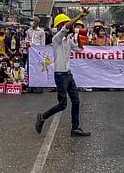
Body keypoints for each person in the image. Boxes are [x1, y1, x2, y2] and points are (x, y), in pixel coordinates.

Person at [36, 8, 91, 137]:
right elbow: (66, 27)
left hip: (68, 74)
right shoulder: (57, 38)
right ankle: (43, 117)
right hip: (60, 75)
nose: (73, 27)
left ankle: (75, 128)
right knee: (62, 105)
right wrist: (79, 15)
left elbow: (80, 50)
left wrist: (82, 40)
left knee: (76, 101)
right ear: (61, 26)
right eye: (70, 24)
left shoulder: (68, 40)